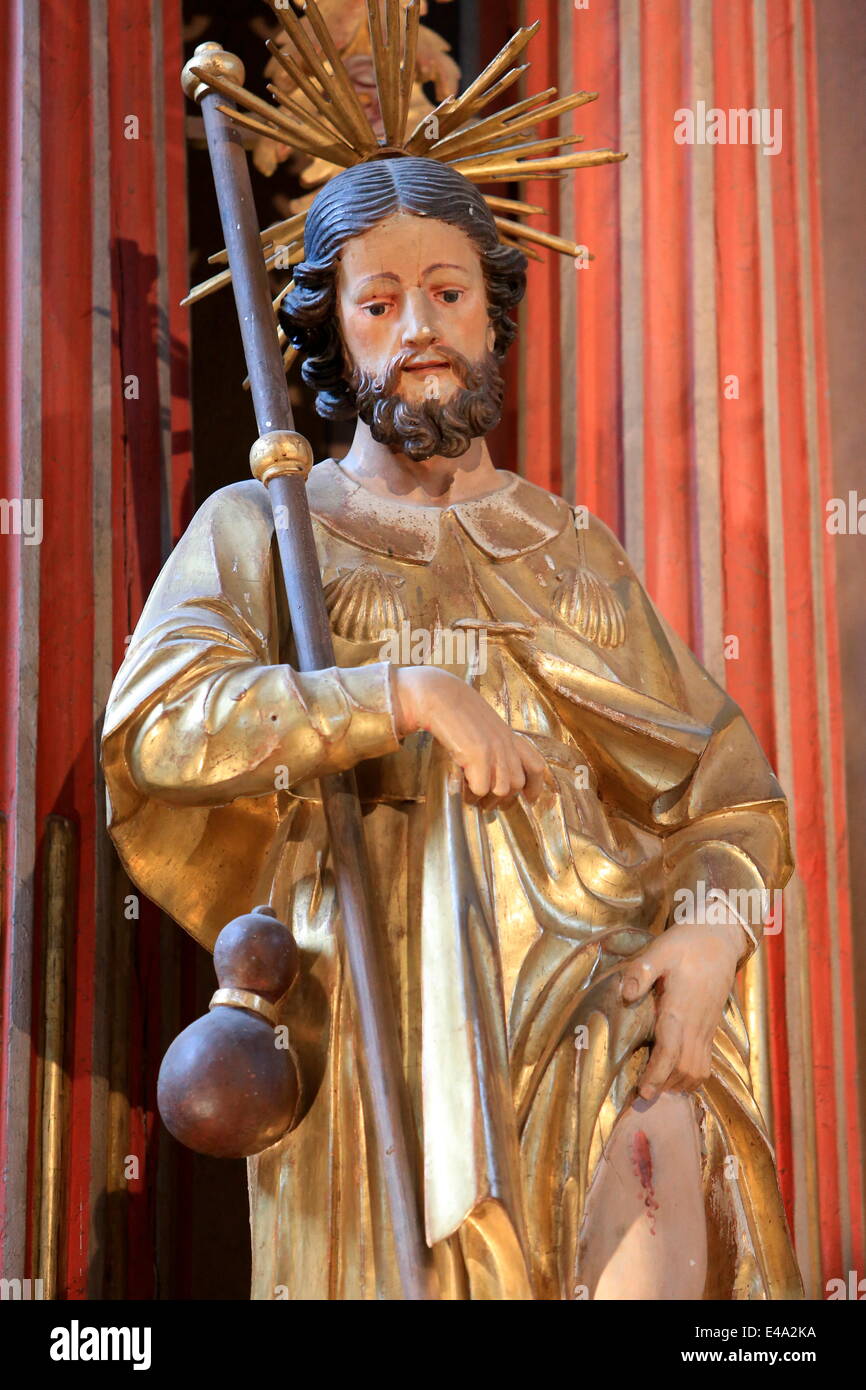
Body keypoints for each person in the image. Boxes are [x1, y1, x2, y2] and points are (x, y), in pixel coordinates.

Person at [102, 155, 802, 1300]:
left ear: (492, 309)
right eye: (378, 302)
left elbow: (729, 797)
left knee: (661, 1194)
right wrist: (396, 693)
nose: (417, 327)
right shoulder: (268, 527)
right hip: (388, 1017)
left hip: (597, 988)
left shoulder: (571, 549)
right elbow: (157, 726)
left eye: (447, 292)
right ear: (334, 332)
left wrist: (709, 935)